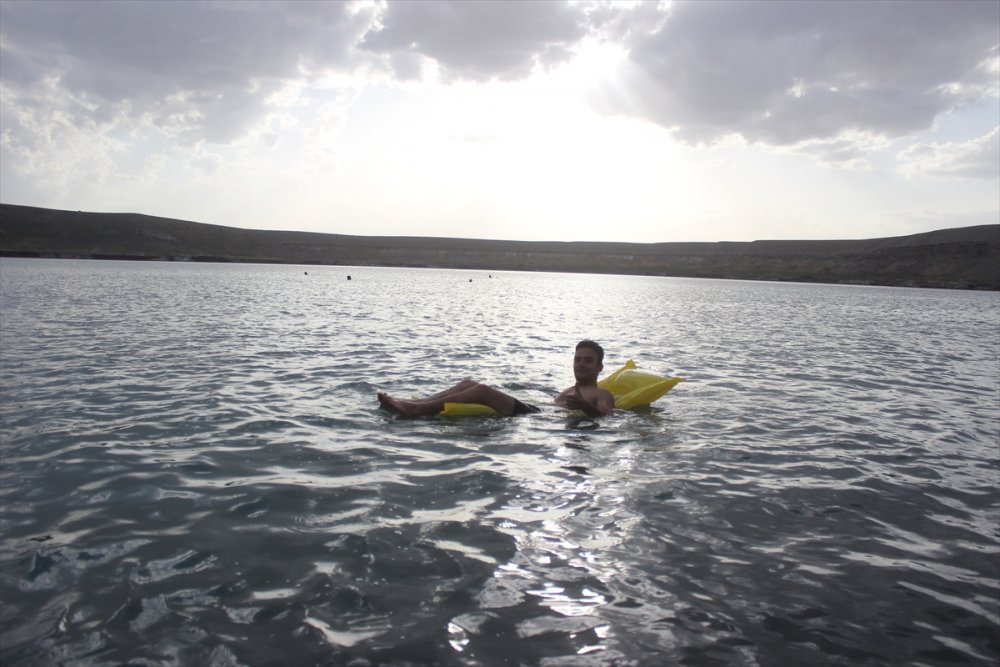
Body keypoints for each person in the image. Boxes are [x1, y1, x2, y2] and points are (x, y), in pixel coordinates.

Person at [378, 340, 615, 419]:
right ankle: (418, 402)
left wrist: (585, 406)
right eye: (578, 359)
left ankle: (414, 410)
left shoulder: (602, 394)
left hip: (535, 419)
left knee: (481, 390)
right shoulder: (567, 389)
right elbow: (553, 405)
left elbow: (607, 417)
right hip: (537, 411)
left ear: (599, 367)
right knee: (468, 383)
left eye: (587, 360)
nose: (581, 364)